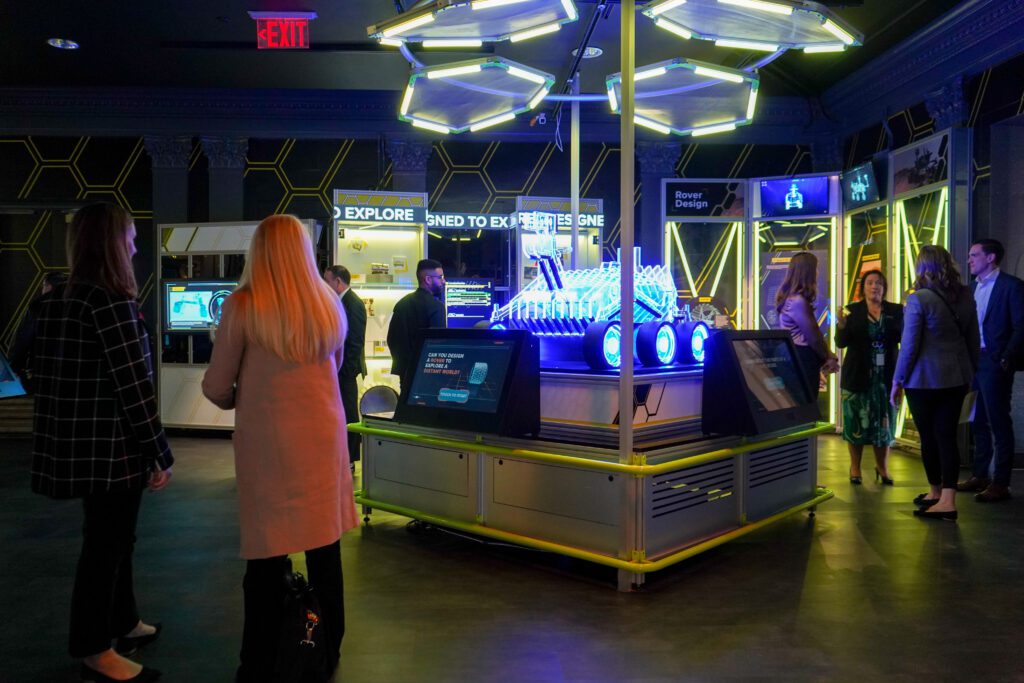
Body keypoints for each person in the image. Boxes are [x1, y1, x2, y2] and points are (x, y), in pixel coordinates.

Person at [202, 215, 357, 682]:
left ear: (259, 252)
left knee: (265, 561)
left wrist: (240, 396)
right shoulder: (329, 305)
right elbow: (336, 366)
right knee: (325, 555)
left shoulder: (243, 306)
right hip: (323, 447)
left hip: (270, 452)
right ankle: (326, 648)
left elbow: (215, 386)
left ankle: (259, 661)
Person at [30, 203, 172, 683]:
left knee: (113, 540)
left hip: (76, 446)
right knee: (106, 547)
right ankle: (94, 648)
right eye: (130, 236)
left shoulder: (56, 300)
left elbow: (31, 366)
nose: (135, 245)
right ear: (113, 243)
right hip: (113, 451)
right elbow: (134, 387)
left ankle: (123, 621)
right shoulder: (110, 303)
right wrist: (160, 453)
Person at [891, 245, 979, 521]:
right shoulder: (965, 295)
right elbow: (973, 340)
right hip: (956, 376)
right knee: (947, 436)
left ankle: (938, 494)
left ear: (921, 268)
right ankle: (943, 496)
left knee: (929, 437)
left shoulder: (919, 299)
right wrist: (970, 372)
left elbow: (909, 346)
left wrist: (897, 380)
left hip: (923, 379)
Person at [956, 239, 1024, 502]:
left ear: (991, 257)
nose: (969, 259)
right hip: (974, 362)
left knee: (998, 421)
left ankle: (1001, 482)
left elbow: (1021, 326)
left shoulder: (1012, 287)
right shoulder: (972, 288)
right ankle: (980, 474)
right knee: (977, 419)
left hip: (995, 363)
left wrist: (1006, 357)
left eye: (974, 255)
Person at [836, 270, 903, 485]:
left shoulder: (895, 311)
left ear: (885, 287)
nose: (875, 287)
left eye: (879, 283)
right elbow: (841, 342)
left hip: (885, 378)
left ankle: (882, 467)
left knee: (884, 424)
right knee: (856, 422)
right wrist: (841, 325)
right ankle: (855, 467)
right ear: (863, 287)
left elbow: (902, 338)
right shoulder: (852, 311)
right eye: (870, 283)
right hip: (858, 375)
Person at [776, 252, 839, 403]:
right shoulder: (797, 301)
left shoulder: (792, 299)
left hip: (797, 357)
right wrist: (828, 357)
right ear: (808, 272)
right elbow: (813, 336)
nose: (817, 273)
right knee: (804, 407)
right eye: (815, 269)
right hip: (801, 358)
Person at [324, 264, 367, 466]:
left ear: (338, 282)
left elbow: (355, 341)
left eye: (327, 281)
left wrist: (346, 371)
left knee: (349, 413)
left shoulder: (353, 304)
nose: (325, 285)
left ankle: (350, 459)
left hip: (345, 372)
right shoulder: (341, 302)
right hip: (339, 370)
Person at [387, 258, 446, 394]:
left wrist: (404, 365)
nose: (443, 281)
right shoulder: (436, 307)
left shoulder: (402, 303)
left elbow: (392, 339)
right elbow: (439, 344)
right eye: (440, 277)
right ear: (428, 279)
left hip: (405, 373)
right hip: (429, 376)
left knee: (408, 412)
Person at [9, 271, 69, 383]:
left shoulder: (39, 305)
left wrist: (14, 367)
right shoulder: (76, 304)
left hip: (42, 371)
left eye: (43, 286)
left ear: (48, 286)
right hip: (71, 373)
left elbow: (23, 338)